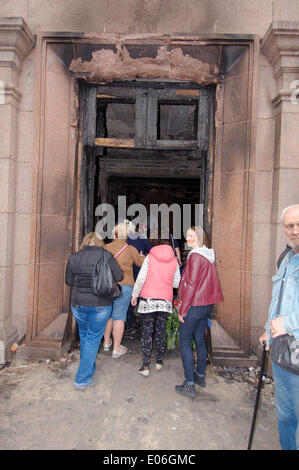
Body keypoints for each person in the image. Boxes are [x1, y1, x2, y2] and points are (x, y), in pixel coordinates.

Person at [259, 204, 299, 450]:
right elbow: (278, 299)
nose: (295, 230)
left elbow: (285, 317)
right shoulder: (287, 258)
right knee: (285, 415)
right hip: (282, 352)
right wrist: (268, 330)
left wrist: (286, 324)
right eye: (290, 226)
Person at [65, 232, 123, 389]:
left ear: (84, 242)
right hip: (100, 304)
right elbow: (119, 276)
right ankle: (82, 379)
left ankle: (88, 369)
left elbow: (69, 281)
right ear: (100, 242)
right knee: (92, 339)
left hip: (77, 304)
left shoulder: (75, 256)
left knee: (85, 336)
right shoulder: (106, 255)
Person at [175, 226, 223, 398]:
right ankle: (200, 377)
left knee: (185, 342)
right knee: (200, 341)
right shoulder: (207, 255)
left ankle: (189, 385)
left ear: (200, 238)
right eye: (187, 235)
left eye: (192, 236)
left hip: (194, 305)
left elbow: (192, 285)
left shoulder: (195, 256)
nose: (188, 239)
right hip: (205, 305)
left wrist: (183, 309)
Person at [131, 239, 180, 376]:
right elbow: (176, 283)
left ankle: (145, 366)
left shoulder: (150, 258)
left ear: (156, 246)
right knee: (160, 330)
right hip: (165, 300)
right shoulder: (174, 261)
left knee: (147, 332)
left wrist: (135, 294)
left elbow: (141, 278)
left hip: (148, 300)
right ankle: (159, 361)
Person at [103, 221, 145, 358]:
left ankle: (106, 342)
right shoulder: (131, 249)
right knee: (119, 316)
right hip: (125, 286)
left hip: (108, 286)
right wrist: (142, 256)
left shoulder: (105, 247)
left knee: (108, 314)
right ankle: (116, 349)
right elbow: (141, 263)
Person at [126, 221, 153, 332]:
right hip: (139, 272)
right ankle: (143, 324)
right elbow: (151, 250)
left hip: (124, 275)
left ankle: (127, 325)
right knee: (141, 297)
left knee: (126, 301)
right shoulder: (140, 237)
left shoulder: (120, 240)